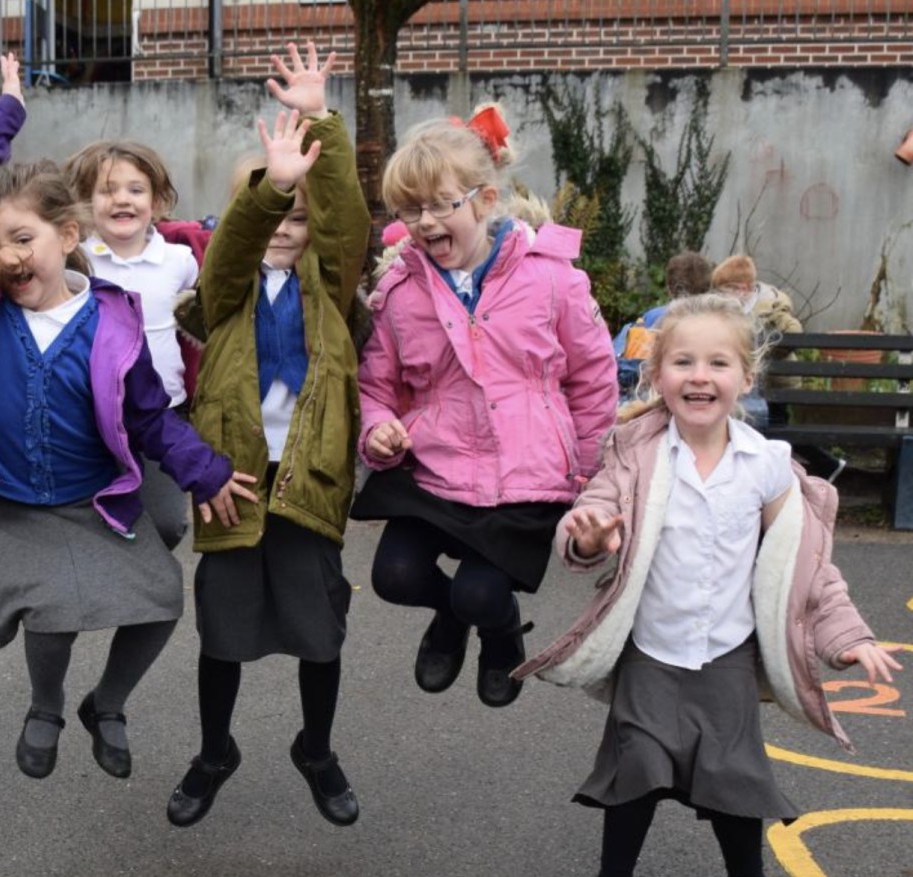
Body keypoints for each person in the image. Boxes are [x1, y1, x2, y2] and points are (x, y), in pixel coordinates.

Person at [0, 54, 256, 783]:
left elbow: (150, 417)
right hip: (11, 502)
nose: (6, 256)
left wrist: (204, 470)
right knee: (51, 612)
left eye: (23, 239)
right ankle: (44, 705)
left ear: (67, 236)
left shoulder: (112, 325)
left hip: (89, 493)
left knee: (160, 602)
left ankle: (105, 703)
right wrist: (9, 107)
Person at [514, 293, 902, 877]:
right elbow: (592, 511)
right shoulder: (636, 454)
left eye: (718, 363)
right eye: (683, 362)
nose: (700, 376)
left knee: (735, 788)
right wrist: (588, 536)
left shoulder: (766, 465)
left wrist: (849, 637)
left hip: (726, 660)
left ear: (746, 378)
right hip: (651, 656)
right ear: (656, 375)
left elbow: (807, 568)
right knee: (633, 776)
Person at [163, 42, 369, 829]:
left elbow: (347, 221)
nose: (286, 225)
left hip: (309, 478)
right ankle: (215, 750)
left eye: (298, 215)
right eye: (273, 211)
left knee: (320, 632)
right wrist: (271, 188)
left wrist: (321, 123)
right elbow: (233, 252)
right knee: (223, 630)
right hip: (234, 477)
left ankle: (316, 748)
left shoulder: (331, 285)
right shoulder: (222, 293)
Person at [352, 103, 617, 710]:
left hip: (527, 474)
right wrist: (379, 428)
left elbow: (594, 380)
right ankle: (451, 617)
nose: (424, 222)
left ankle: (498, 631)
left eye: (440, 205)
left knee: (480, 593)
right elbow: (375, 387)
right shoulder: (399, 291)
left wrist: (587, 476)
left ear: (484, 199)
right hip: (436, 466)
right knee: (394, 576)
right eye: (409, 209)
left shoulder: (554, 278)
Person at [64, 139, 201, 549]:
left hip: (164, 411)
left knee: (166, 524)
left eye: (136, 190)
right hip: (93, 414)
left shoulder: (181, 261)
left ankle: (141, 573)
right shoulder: (76, 261)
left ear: (156, 202)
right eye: (107, 190)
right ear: (85, 204)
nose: (122, 199)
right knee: (97, 516)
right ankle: (113, 575)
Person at [713, 253, 846, 481]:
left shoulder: (770, 306)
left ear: (743, 288)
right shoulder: (733, 309)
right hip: (754, 385)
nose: (720, 296)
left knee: (775, 430)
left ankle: (824, 465)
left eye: (724, 290)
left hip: (777, 383)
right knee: (770, 430)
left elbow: (793, 332)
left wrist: (765, 350)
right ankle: (820, 465)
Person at [611, 250, 712, 399]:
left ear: (669, 288)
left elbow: (631, 365)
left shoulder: (653, 318)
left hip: (654, 396)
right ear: (709, 288)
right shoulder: (721, 324)